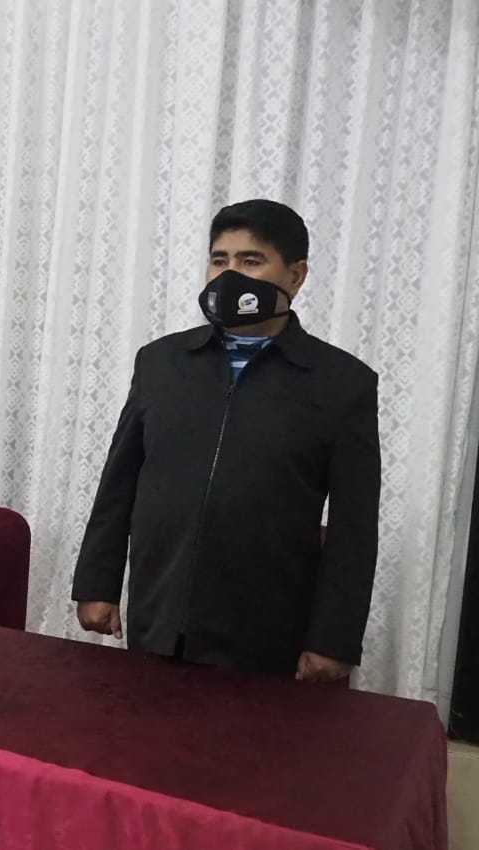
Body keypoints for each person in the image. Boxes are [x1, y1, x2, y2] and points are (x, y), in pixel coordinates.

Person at [72, 199, 380, 681]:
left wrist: (333, 639)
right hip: (160, 614)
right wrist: (97, 583)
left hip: (266, 631)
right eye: (220, 260)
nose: (230, 275)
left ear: (296, 275)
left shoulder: (342, 383)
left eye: (251, 261)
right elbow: (119, 482)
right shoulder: (162, 363)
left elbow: (354, 527)